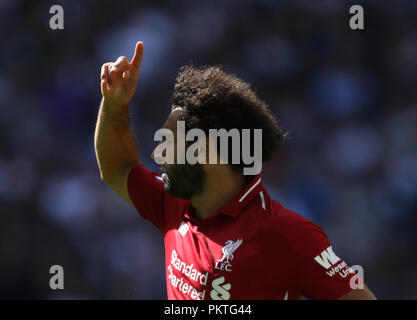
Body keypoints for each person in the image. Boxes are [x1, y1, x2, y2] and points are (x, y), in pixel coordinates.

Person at [94, 42, 376, 300]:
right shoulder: (173, 205)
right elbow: (117, 167)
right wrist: (115, 103)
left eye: (168, 145)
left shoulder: (284, 233)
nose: (157, 155)